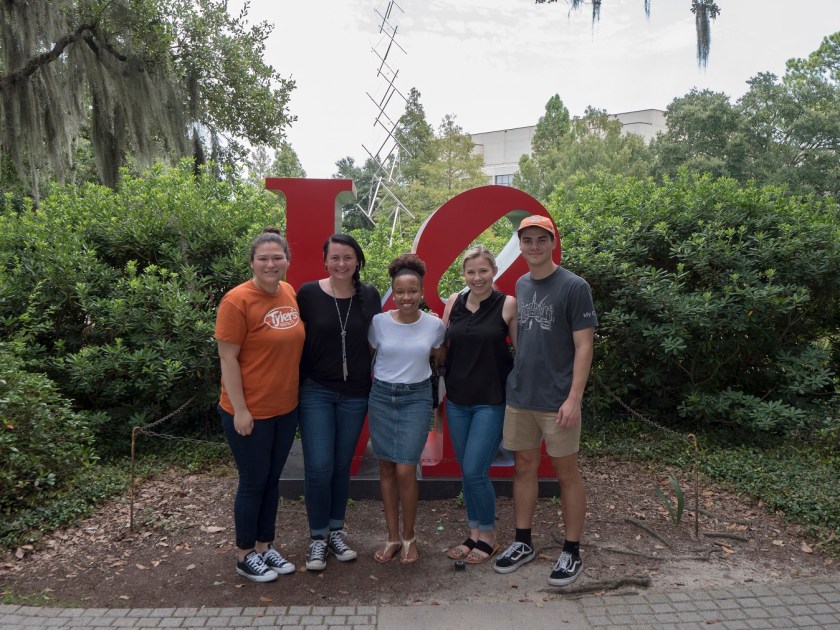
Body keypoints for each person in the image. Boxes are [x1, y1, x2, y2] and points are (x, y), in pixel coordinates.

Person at [493, 215, 598, 587]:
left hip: (558, 400)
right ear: (519, 245)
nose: (534, 247)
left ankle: (572, 550)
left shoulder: (574, 286)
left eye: (541, 239)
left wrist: (574, 398)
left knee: (566, 474)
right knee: (523, 467)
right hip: (522, 395)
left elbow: (584, 346)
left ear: (552, 242)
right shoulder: (521, 284)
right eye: (527, 240)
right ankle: (523, 542)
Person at [215, 227, 305, 583]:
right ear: (252, 262)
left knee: (272, 481)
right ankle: (244, 554)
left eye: (277, 257)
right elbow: (227, 359)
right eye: (263, 258)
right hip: (249, 412)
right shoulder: (237, 301)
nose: (271, 264)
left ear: (287, 261)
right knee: (253, 482)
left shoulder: (289, 291)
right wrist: (240, 409)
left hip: (285, 408)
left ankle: (266, 547)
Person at [296, 233, 382, 571]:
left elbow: (382, 339)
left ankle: (335, 531)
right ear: (325, 260)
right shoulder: (307, 293)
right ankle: (317, 539)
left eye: (348, 257)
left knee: (342, 465)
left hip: (356, 392)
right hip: (316, 390)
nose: (342, 264)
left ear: (357, 261)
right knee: (318, 466)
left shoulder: (370, 295)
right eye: (335, 258)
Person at [440, 245, 517, 564]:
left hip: (491, 401)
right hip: (457, 400)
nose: (477, 277)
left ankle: (489, 536)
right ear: (463, 274)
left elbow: (523, 353)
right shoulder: (454, 302)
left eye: (483, 270)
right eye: (470, 272)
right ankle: (473, 534)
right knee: (467, 472)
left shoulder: (507, 304)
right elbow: (441, 347)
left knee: (475, 470)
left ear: (494, 271)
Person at [367, 253, 445, 565]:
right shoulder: (379, 322)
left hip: (416, 398)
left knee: (405, 468)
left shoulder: (434, 325)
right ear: (393, 293)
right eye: (400, 292)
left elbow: (440, 359)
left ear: (422, 293)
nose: (406, 297)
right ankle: (392, 538)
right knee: (386, 467)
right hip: (382, 396)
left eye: (412, 291)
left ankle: (410, 536)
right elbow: (371, 353)